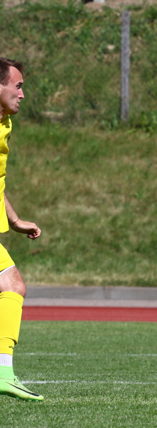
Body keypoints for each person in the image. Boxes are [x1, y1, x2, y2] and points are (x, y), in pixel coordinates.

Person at [0, 58, 43, 401]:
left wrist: (14, 220)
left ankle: (3, 373)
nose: (23, 94)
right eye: (18, 86)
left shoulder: (5, 123)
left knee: (12, 286)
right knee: (12, 286)